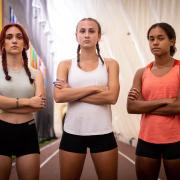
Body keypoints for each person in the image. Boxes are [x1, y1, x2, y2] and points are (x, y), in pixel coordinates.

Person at [54, 17, 120, 180]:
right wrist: (95, 88)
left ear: (99, 36)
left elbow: (112, 97)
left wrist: (73, 92)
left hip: (103, 132)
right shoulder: (65, 65)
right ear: (76, 35)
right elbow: (59, 96)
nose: (87, 35)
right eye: (82, 31)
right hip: (72, 133)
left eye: (92, 31)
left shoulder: (111, 64)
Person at [127, 22, 180, 180]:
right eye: (151, 39)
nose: (155, 42)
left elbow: (179, 107)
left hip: (176, 139)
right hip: (147, 139)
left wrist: (144, 105)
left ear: (172, 41)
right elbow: (131, 107)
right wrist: (167, 101)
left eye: (160, 38)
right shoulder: (141, 73)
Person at [0, 23, 46, 180]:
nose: (14, 41)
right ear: (3, 44)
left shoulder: (36, 74)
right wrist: (28, 102)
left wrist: (5, 103)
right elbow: (32, 103)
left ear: (25, 44)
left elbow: (38, 104)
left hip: (27, 132)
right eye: (9, 37)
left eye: (19, 37)